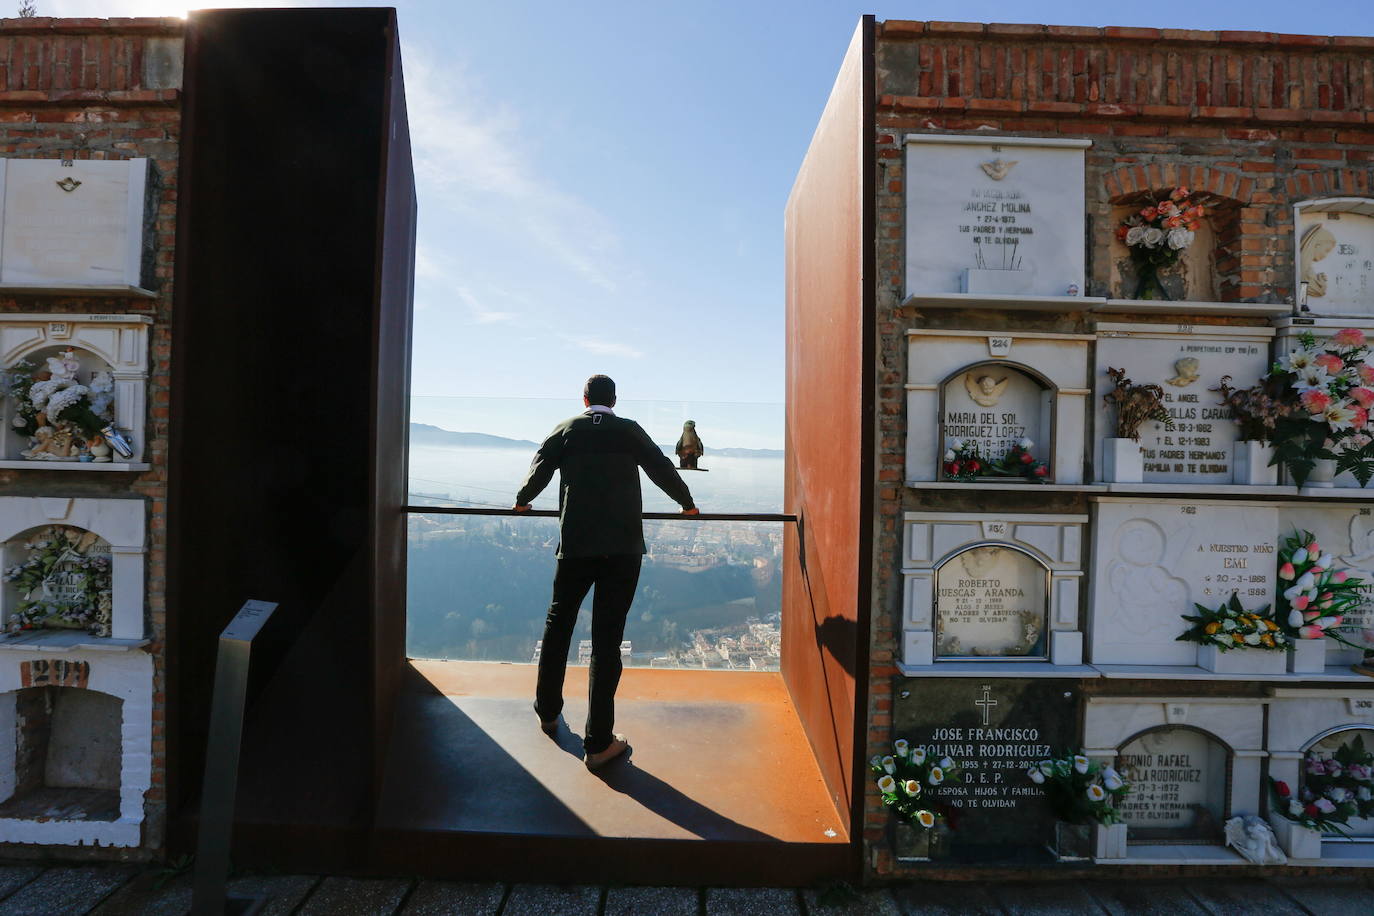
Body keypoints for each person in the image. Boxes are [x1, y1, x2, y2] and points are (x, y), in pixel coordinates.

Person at [514, 375, 699, 769]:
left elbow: (540, 469)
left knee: (558, 622)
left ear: (584, 399)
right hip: (622, 548)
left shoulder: (566, 430)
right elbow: (660, 467)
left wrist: (522, 501)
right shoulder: (628, 430)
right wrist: (687, 503)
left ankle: (547, 710)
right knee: (607, 640)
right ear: (614, 400)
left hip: (576, 546)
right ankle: (598, 743)